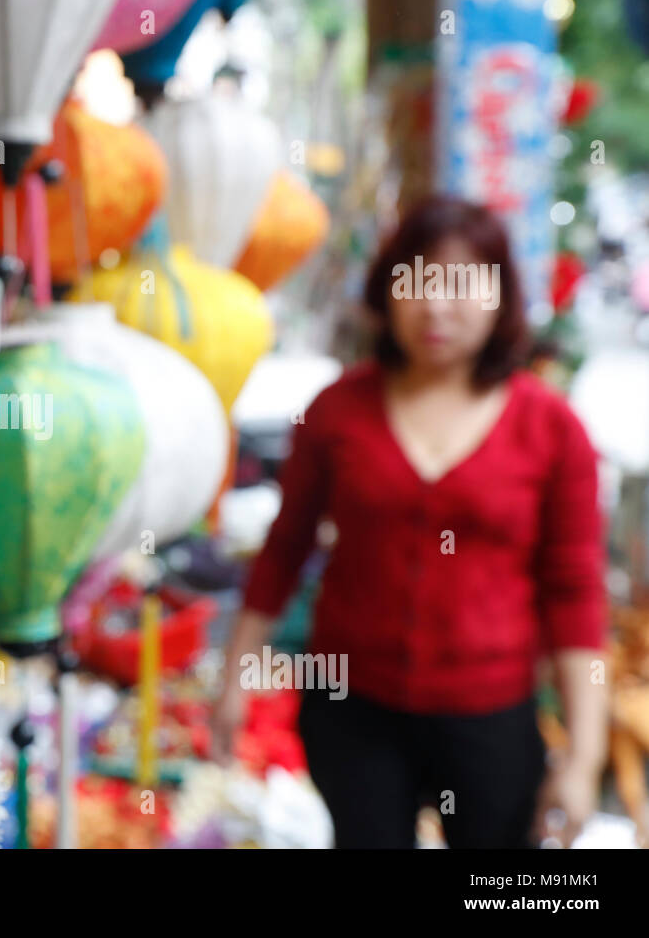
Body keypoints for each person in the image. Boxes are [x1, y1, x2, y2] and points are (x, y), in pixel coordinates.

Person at [210, 196, 609, 848]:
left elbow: (575, 591)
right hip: (353, 709)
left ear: (500, 296)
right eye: (416, 280)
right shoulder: (337, 412)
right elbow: (283, 551)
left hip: (491, 717)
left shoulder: (550, 428)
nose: (436, 305)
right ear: (387, 292)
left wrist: (586, 755)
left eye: (461, 283)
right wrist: (234, 680)